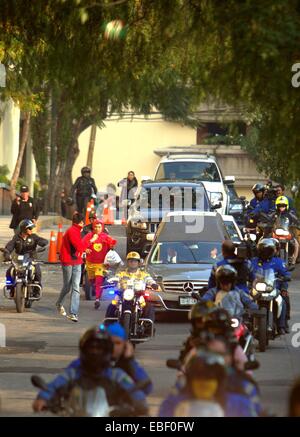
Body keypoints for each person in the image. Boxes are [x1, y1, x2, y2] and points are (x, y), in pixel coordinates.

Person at [32, 325, 147, 415]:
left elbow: (136, 391)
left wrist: (139, 405)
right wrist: (43, 398)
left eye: (99, 348)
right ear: (83, 349)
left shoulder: (116, 375)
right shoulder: (73, 373)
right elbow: (54, 386)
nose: (94, 352)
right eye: (91, 348)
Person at [159, 349, 226, 417]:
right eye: (199, 376)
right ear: (190, 378)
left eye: (210, 377)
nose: (204, 382)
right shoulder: (176, 400)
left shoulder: (232, 400)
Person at [56, 213, 97, 322]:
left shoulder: (78, 230)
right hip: (68, 262)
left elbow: (80, 246)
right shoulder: (72, 231)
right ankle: (59, 303)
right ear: (81, 222)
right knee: (67, 286)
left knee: (75, 287)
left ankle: (73, 313)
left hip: (77, 261)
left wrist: (84, 248)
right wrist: (91, 241)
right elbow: (79, 246)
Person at [105, 251, 157, 326]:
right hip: (123, 294)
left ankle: (148, 326)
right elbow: (115, 278)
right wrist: (109, 281)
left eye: (135, 261)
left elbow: (149, 279)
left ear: (138, 263)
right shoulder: (121, 273)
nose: (133, 263)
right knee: (112, 306)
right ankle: (108, 327)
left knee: (149, 307)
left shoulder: (143, 274)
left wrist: (153, 284)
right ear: (127, 262)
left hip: (139, 295)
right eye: (131, 261)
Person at [251, 238, 291, 334]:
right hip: (256, 288)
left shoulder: (278, 262)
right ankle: (246, 322)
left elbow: (286, 274)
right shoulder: (254, 261)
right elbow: (248, 271)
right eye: (263, 250)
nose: (265, 252)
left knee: (283, 301)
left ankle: (282, 325)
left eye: (268, 250)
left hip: (273, 288)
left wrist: (284, 283)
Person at [106, 322, 153, 396]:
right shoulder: (95, 359)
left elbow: (147, 387)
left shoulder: (128, 362)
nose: (114, 347)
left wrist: (129, 360)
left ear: (124, 345)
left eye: (118, 343)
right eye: (110, 342)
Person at [4, 219, 48, 290]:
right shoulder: (16, 237)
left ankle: (37, 288)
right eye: (29, 228)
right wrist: (6, 254)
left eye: (32, 228)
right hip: (18, 260)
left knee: (37, 272)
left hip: (31, 258)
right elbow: (9, 246)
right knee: (9, 271)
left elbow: (41, 240)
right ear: (24, 229)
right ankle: (10, 287)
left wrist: (44, 243)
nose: (31, 229)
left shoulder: (34, 237)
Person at [82, 219, 117, 309]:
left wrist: (112, 244)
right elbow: (82, 245)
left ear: (102, 228)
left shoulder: (105, 236)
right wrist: (89, 244)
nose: (97, 229)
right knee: (91, 281)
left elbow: (113, 242)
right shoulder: (89, 236)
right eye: (96, 227)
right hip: (89, 263)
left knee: (98, 281)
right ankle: (93, 289)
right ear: (93, 227)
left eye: (99, 227)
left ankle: (97, 299)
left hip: (101, 264)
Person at [270, 195, 300, 265]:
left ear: (286, 206)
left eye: (283, 205)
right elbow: (268, 219)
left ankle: (293, 260)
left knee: (296, 243)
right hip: (275, 233)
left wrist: (298, 224)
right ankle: (267, 257)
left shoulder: (290, 214)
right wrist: (266, 223)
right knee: (265, 240)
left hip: (287, 233)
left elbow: (296, 220)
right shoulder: (274, 213)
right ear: (276, 206)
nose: (281, 207)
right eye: (279, 205)